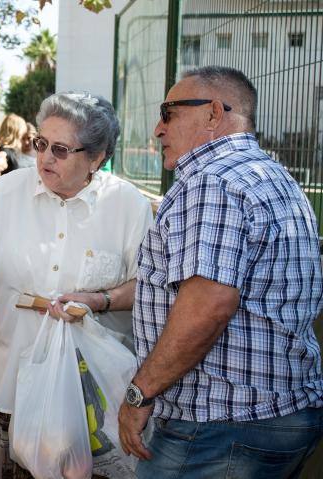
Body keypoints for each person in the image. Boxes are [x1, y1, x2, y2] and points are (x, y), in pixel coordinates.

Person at [0, 91, 153, 478]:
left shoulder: (128, 205)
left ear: (96, 158)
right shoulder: (7, 192)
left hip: (93, 400)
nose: (45, 158)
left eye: (61, 150)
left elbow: (147, 287)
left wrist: (100, 299)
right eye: (41, 144)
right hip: (12, 389)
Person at [119, 66, 323, 478]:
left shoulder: (212, 181)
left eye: (169, 113)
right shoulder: (274, 175)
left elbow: (209, 305)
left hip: (220, 426)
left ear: (213, 114)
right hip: (276, 416)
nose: (158, 129)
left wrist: (139, 394)